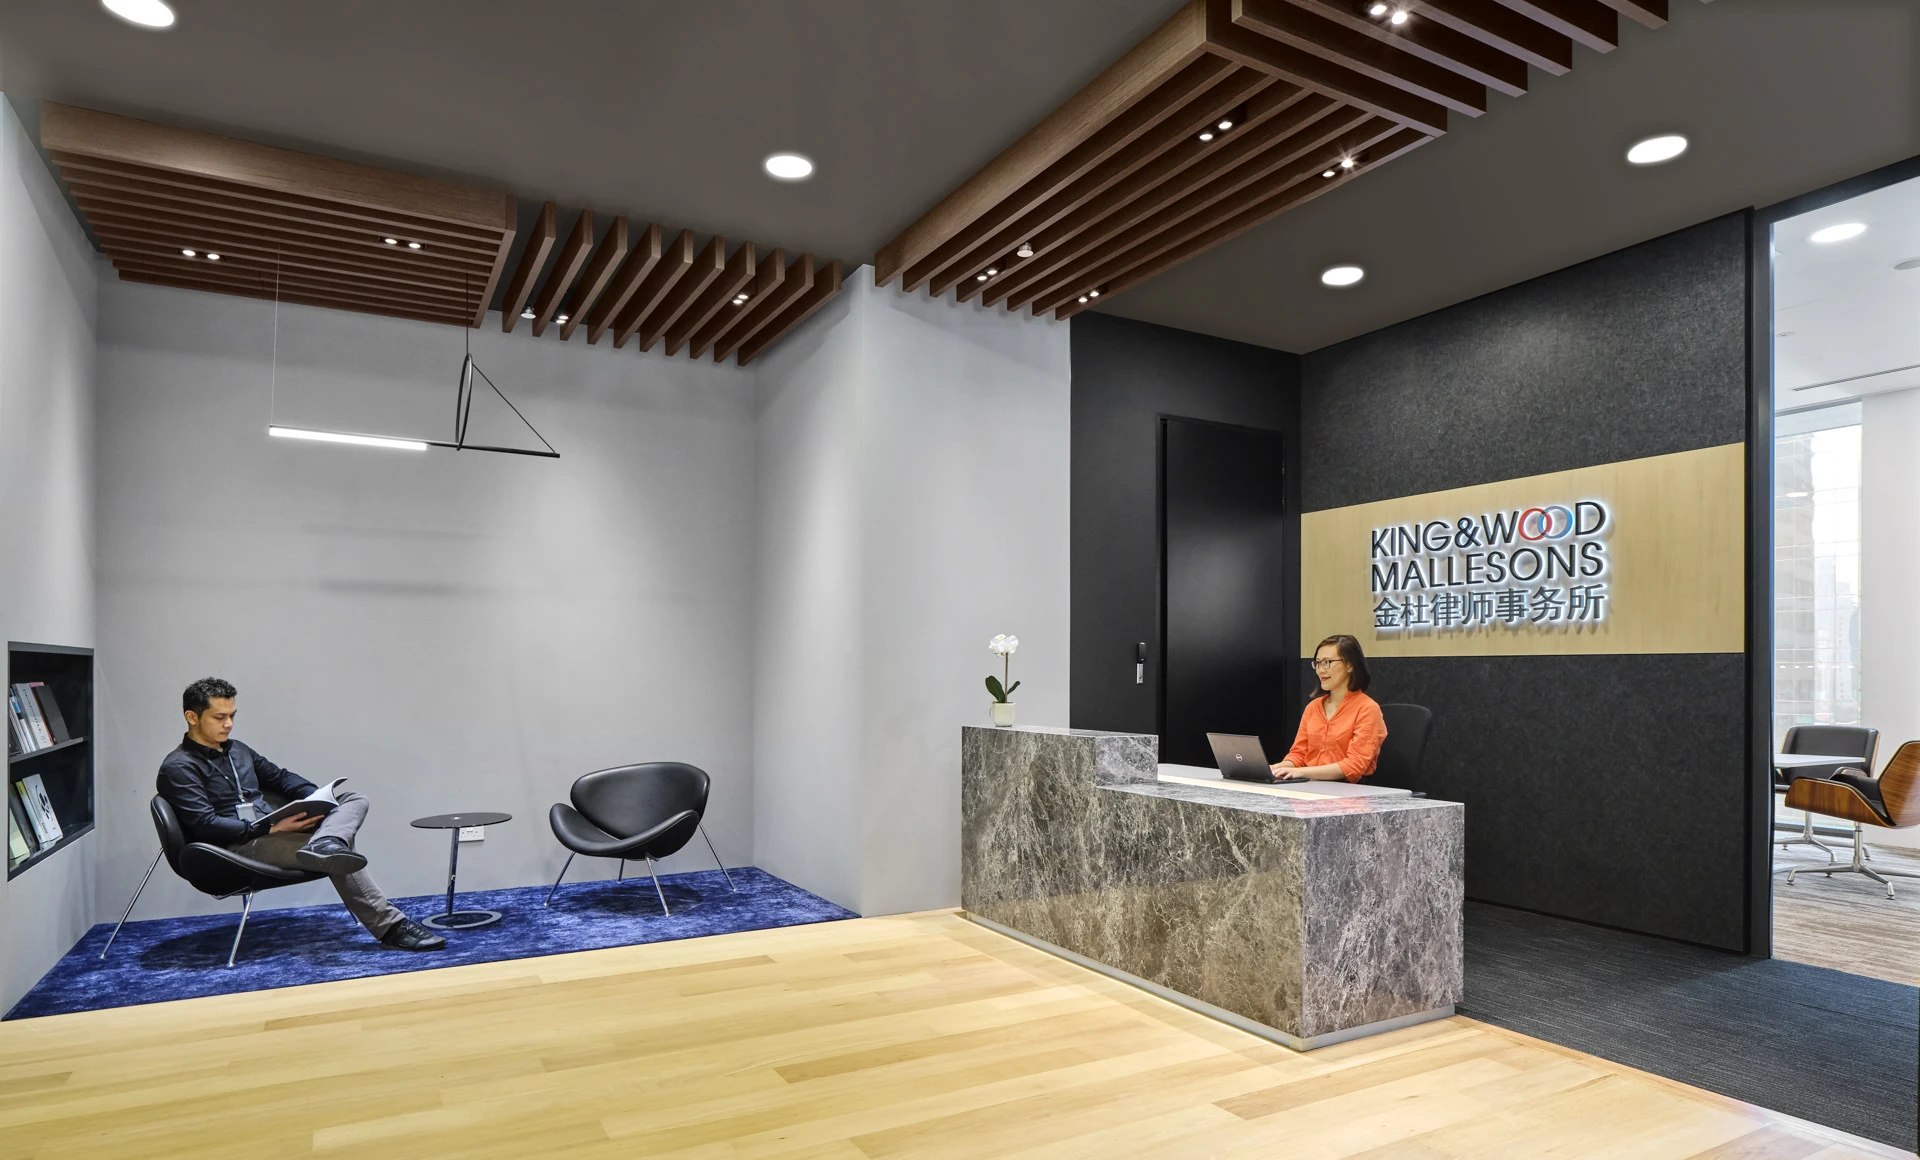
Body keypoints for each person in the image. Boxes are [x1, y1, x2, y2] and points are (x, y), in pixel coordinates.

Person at [155, 677, 445, 951]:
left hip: (275, 831)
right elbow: (205, 824)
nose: (229, 724)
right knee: (339, 854)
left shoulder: (238, 751)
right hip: (235, 849)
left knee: (354, 799)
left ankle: (327, 841)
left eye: (232, 715)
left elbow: (281, 778)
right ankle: (391, 928)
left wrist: (320, 799)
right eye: (220, 717)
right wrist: (269, 830)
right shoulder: (179, 767)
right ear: (192, 717)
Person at [1271, 634, 1388, 783]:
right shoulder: (1313, 708)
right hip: (1310, 786)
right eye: (1318, 663)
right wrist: (1275, 768)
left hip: (1349, 791)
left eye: (1328, 662)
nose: (1321, 670)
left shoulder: (1368, 708)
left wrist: (1299, 772)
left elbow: (1353, 766)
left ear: (1349, 665)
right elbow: (1299, 755)